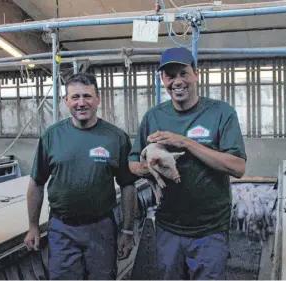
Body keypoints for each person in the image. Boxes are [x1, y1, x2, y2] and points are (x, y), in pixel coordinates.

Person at [128, 47, 247, 280]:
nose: (177, 81)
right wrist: (151, 168)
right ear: (163, 79)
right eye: (170, 76)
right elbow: (133, 163)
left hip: (210, 231)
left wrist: (187, 143)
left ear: (196, 74)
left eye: (183, 73)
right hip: (168, 228)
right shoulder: (154, 117)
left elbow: (238, 167)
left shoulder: (221, 113)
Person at [24, 72, 139, 280]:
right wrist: (33, 226)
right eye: (75, 97)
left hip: (101, 228)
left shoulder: (115, 138)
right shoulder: (52, 136)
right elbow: (37, 183)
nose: (81, 103)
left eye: (87, 96)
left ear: (98, 99)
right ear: (65, 101)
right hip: (62, 228)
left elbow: (128, 186)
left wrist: (127, 231)